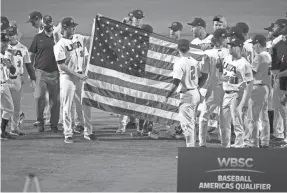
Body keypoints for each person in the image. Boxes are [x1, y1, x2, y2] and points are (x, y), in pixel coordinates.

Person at [53, 17, 95, 143]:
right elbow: (61, 66)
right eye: (71, 27)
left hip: (80, 77)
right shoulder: (59, 45)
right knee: (67, 106)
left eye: (74, 26)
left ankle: (88, 132)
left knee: (86, 104)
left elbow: (93, 39)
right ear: (64, 28)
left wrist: (95, 25)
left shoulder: (79, 38)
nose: (74, 28)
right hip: (68, 78)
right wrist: (78, 75)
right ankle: (68, 134)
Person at [164, 39, 208, 147]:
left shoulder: (179, 63)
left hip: (188, 95)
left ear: (177, 48)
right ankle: (191, 146)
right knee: (190, 122)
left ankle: (190, 149)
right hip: (195, 93)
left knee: (187, 124)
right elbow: (204, 76)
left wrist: (167, 95)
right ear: (189, 49)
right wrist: (197, 87)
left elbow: (175, 82)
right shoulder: (194, 61)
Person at [220, 37, 254, 148]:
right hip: (226, 94)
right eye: (229, 45)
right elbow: (221, 75)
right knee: (224, 125)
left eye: (232, 45)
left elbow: (249, 83)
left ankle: (239, 148)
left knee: (237, 123)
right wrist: (223, 78)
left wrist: (244, 102)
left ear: (239, 48)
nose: (229, 47)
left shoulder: (245, 64)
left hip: (236, 94)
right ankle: (225, 148)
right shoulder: (226, 58)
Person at [29, 15, 60, 133]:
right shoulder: (38, 37)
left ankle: (54, 124)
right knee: (39, 97)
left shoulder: (58, 37)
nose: (48, 25)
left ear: (52, 23)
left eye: (50, 23)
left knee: (55, 100)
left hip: (55, 72)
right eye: (46, 23)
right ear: (44, 24)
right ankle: (40, 122)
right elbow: (31, 54)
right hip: (40, 72)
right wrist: (31, 71)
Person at [198, 28, 230, 147]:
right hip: (227, 88)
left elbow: (204, 73)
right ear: (222, 39)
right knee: (225, 118)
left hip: (213, 88)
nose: (227, 39)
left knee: (204, 115)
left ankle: (202, 143)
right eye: (225, 37)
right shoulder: (230, 52)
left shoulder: (208, 54)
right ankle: (225, 144)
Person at [6, 26, 36, 136]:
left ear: (16, 34)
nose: (10, 37)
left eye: (12, 34)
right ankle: (3, 129)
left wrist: (33, 78)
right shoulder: (3, 47)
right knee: (3, 105)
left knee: (16, 105)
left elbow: (28, 65)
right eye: (9, 35)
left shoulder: (23, 48)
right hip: (4, 79)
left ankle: (14, 128)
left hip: (17, 79)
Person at [247, 35, 272, 148]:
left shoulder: (259, 57)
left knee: (253, 118)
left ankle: (253, 142)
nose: (252, 47)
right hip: (266, 88)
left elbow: (251, 73)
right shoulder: (268, 55)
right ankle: (265, 141)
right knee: (264, 116)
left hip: (257, 88)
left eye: (253, 44)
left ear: (258, 44)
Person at [272, 26, 287, 147]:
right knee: (282, 110)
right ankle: (282, 136)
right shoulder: (279, 45)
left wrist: (280, 75)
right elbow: (275, 64)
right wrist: (277, 76)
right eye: (283, 35)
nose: (284, 37)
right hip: (282, 83)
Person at [0, 33, 17, 140]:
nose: (5, 44)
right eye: (3, 42)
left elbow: (13, 70)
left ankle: (2, 131)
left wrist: (10, 66)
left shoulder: (6, 55)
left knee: (9, 109)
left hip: (4, 84)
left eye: (6, 42)